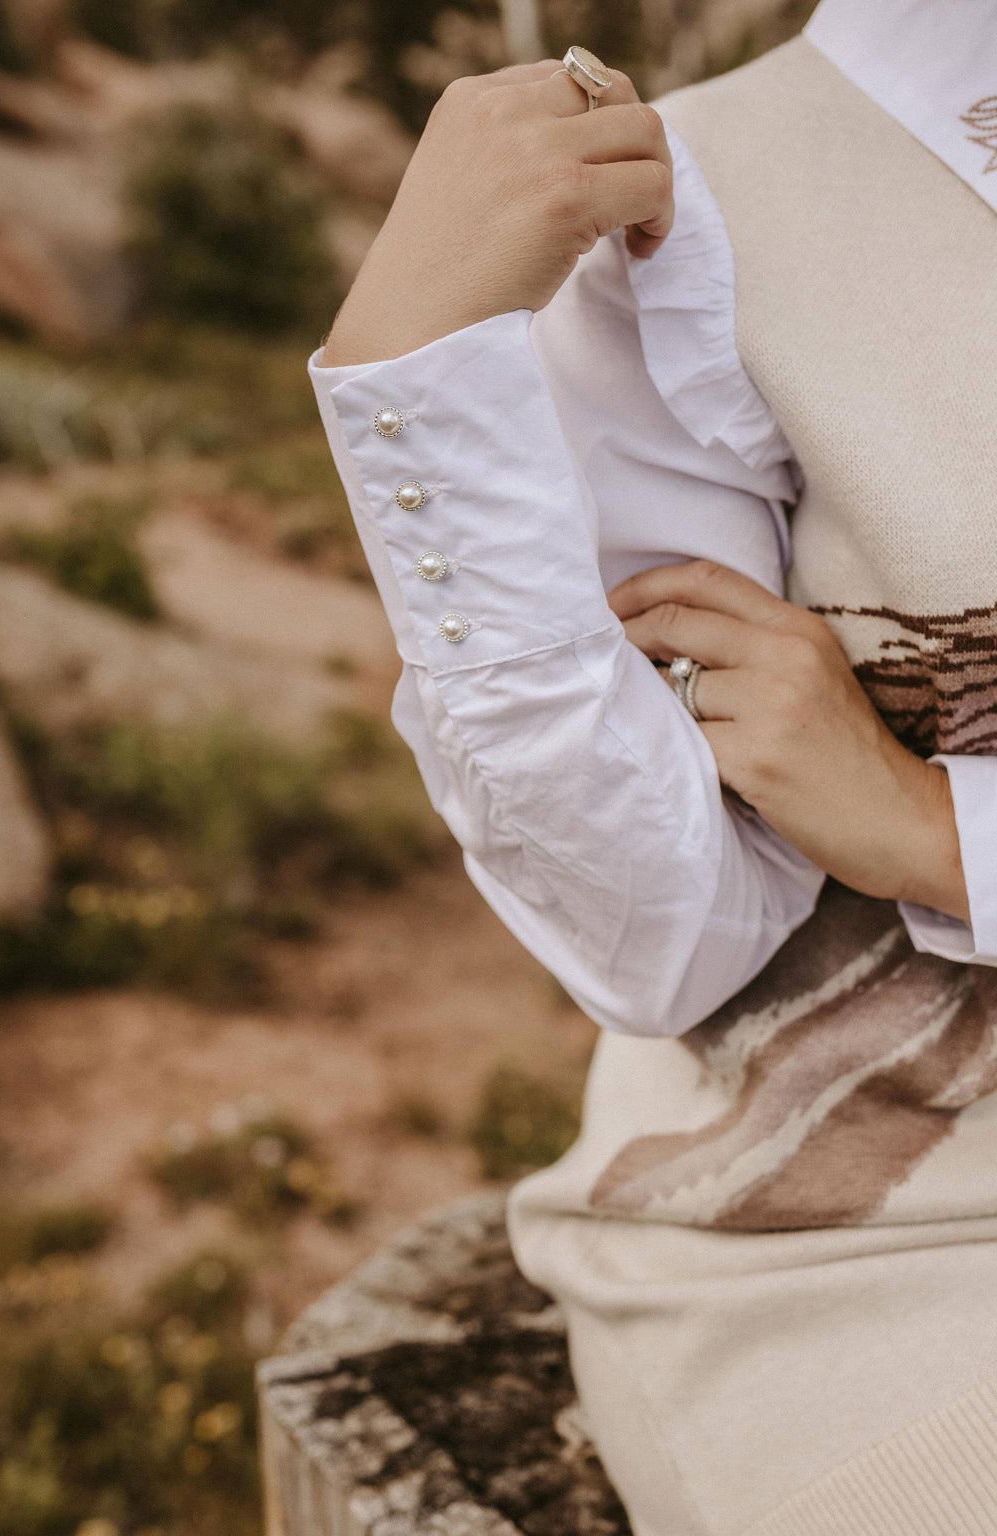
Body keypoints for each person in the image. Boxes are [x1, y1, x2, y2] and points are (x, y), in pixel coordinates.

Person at [309, 0, 997, 1529]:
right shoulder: (704, 207)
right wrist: (419, 386)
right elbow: (671, 939)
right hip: (894, 1220)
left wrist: (951, 834)